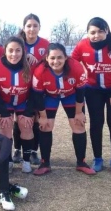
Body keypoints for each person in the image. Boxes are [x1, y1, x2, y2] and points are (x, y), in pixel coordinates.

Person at [71, 17, 111, 174]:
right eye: (92, 32)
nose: (96, 35)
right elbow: (71, 63)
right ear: (88, 33)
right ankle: (98, 158)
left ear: (107, 31)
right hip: (93, 89)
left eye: (100, 32)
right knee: (96, 123)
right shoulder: (82, 45)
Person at [32, 43, 96, 175]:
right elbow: (37, 96)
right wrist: (43, 117)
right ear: (47, 59)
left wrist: (79, 113)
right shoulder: (39, 71)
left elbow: (80, 91)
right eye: (53, 58)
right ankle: (45, 163)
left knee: (78, 124)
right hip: (50, 96)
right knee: (46, 125)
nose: (56, 61)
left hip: (70, 95)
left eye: (60, 57)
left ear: (66, 57)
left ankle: (81, 162)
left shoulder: (76, 67)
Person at [0, 36, 35, 173]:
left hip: (24, 102)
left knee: (26, 127)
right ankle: (7, 161)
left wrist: (28, 112)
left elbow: (34, 92)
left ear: (23, 51)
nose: (14, 54)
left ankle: (26, 161)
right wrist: (2, 112)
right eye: (11, 50)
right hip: (4, 103)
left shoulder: (30, 66)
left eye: (18, 50)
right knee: (6, 128)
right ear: (5, 51)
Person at [13, 14, 50, 165]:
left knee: (35, 118)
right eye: (29, 26)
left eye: (35, 26)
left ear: (39, 27)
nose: (32, 29)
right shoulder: (18, 42)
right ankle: (17, 150)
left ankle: (34, 151)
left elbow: (51, 62)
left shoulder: (46, 44)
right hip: (20, 86)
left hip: (39, 87)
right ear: (24, 27)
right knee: (18, 118)